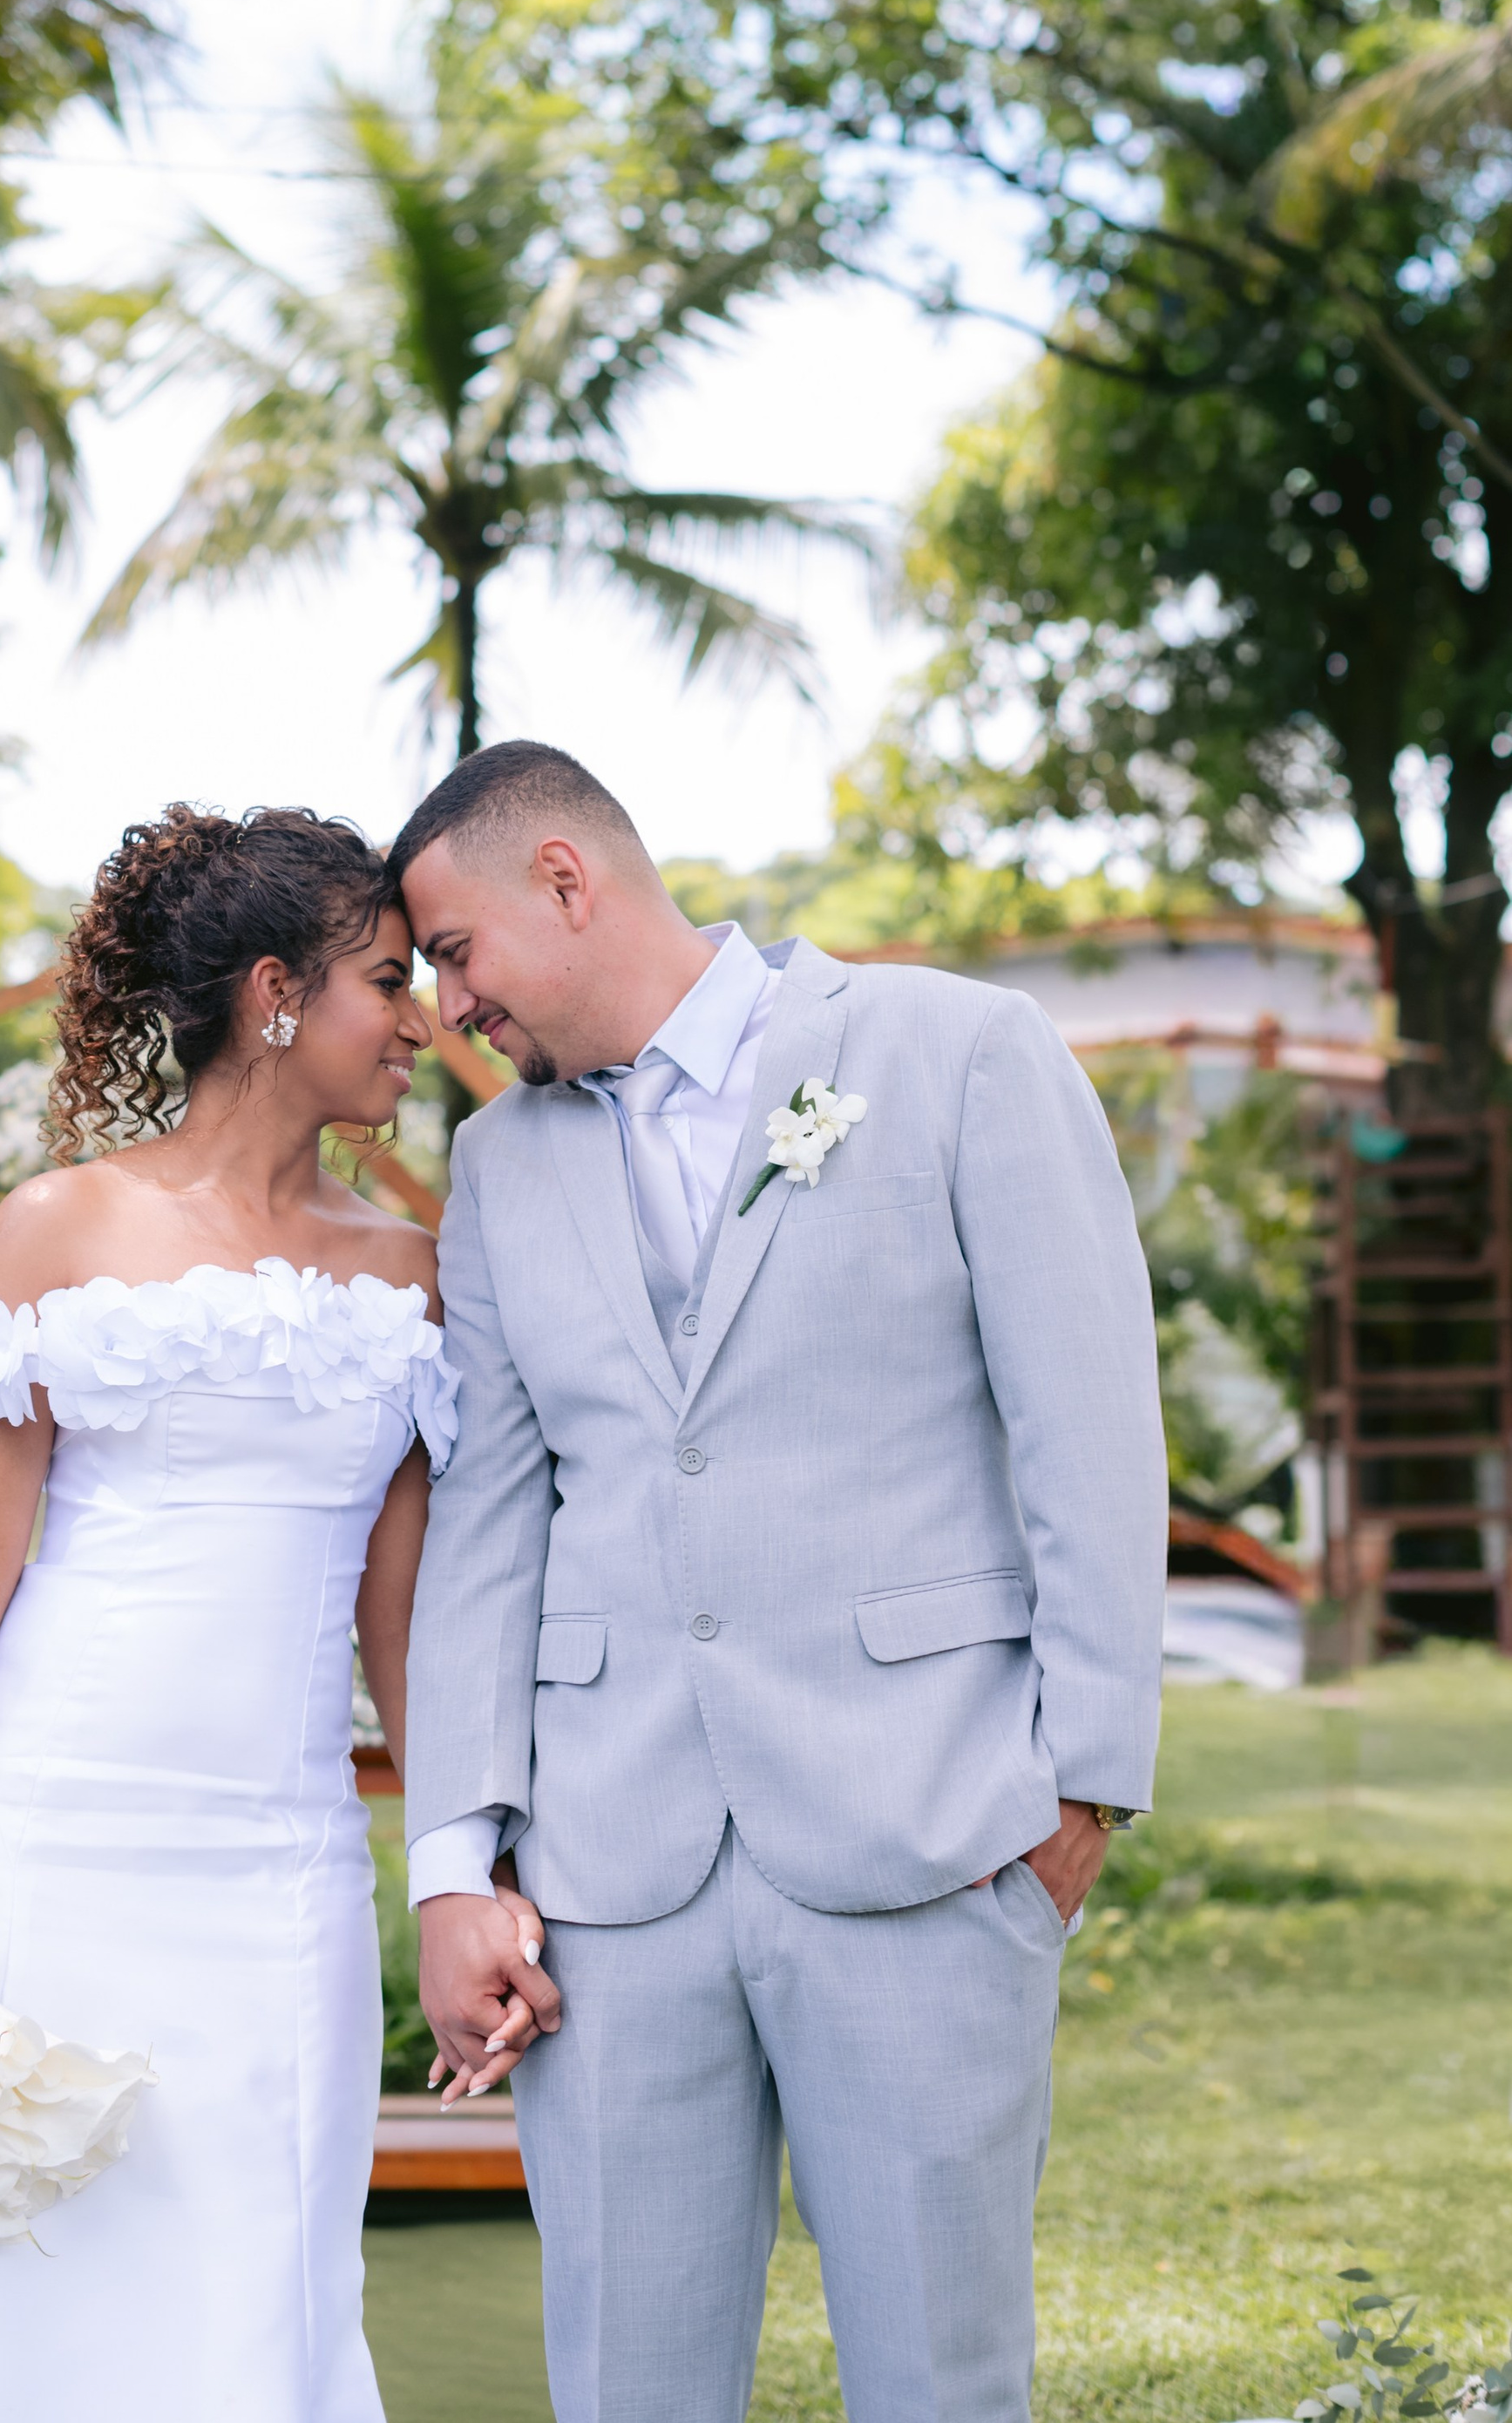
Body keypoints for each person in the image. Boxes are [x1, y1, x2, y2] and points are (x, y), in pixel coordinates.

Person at [0, 803, 549, 2423]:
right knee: (24, 2249)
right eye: (388, 978)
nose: (424, 1016)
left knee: (261, 2245)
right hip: (59, 1832)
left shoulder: (405, 1273)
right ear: (272, 995)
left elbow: (406, 1614)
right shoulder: (62, 1229)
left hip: (281, 1854)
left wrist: (468, 1865)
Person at [395, 740, 1166, 2423]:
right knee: (627, 2387)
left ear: (567, 882)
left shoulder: (958, 1052)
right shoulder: (500, 1168)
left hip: (934, 1835)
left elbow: (1089, 1429)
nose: (445, 1010)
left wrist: (1080, 1796)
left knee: (940, 2382)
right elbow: (493, 1526)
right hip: (609, 1880)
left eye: (452, 954)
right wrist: (457, 1858)